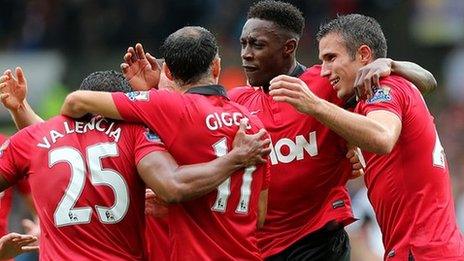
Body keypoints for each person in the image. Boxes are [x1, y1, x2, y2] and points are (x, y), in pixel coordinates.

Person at [0, 69, 270, 260]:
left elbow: (49, 145)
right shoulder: (136, 135)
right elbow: (174, 185)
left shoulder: (37, 138)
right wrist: (235, 159)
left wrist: (20, 110)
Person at [60, 26, 270, 260]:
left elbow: (76, 102)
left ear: (167, 73)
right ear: (217, 66)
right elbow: (259, 216)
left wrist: (151, 94)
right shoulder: (253, 123)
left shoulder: (169, 107)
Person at [269, 14, 464, 260]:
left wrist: (314, 105)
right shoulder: (392, 86)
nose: (324, 71)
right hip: (431, 249)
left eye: (331, 58)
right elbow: (429, 81)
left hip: (420, 251)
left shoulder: (384, 88)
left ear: (363, 55)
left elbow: (382, 137)